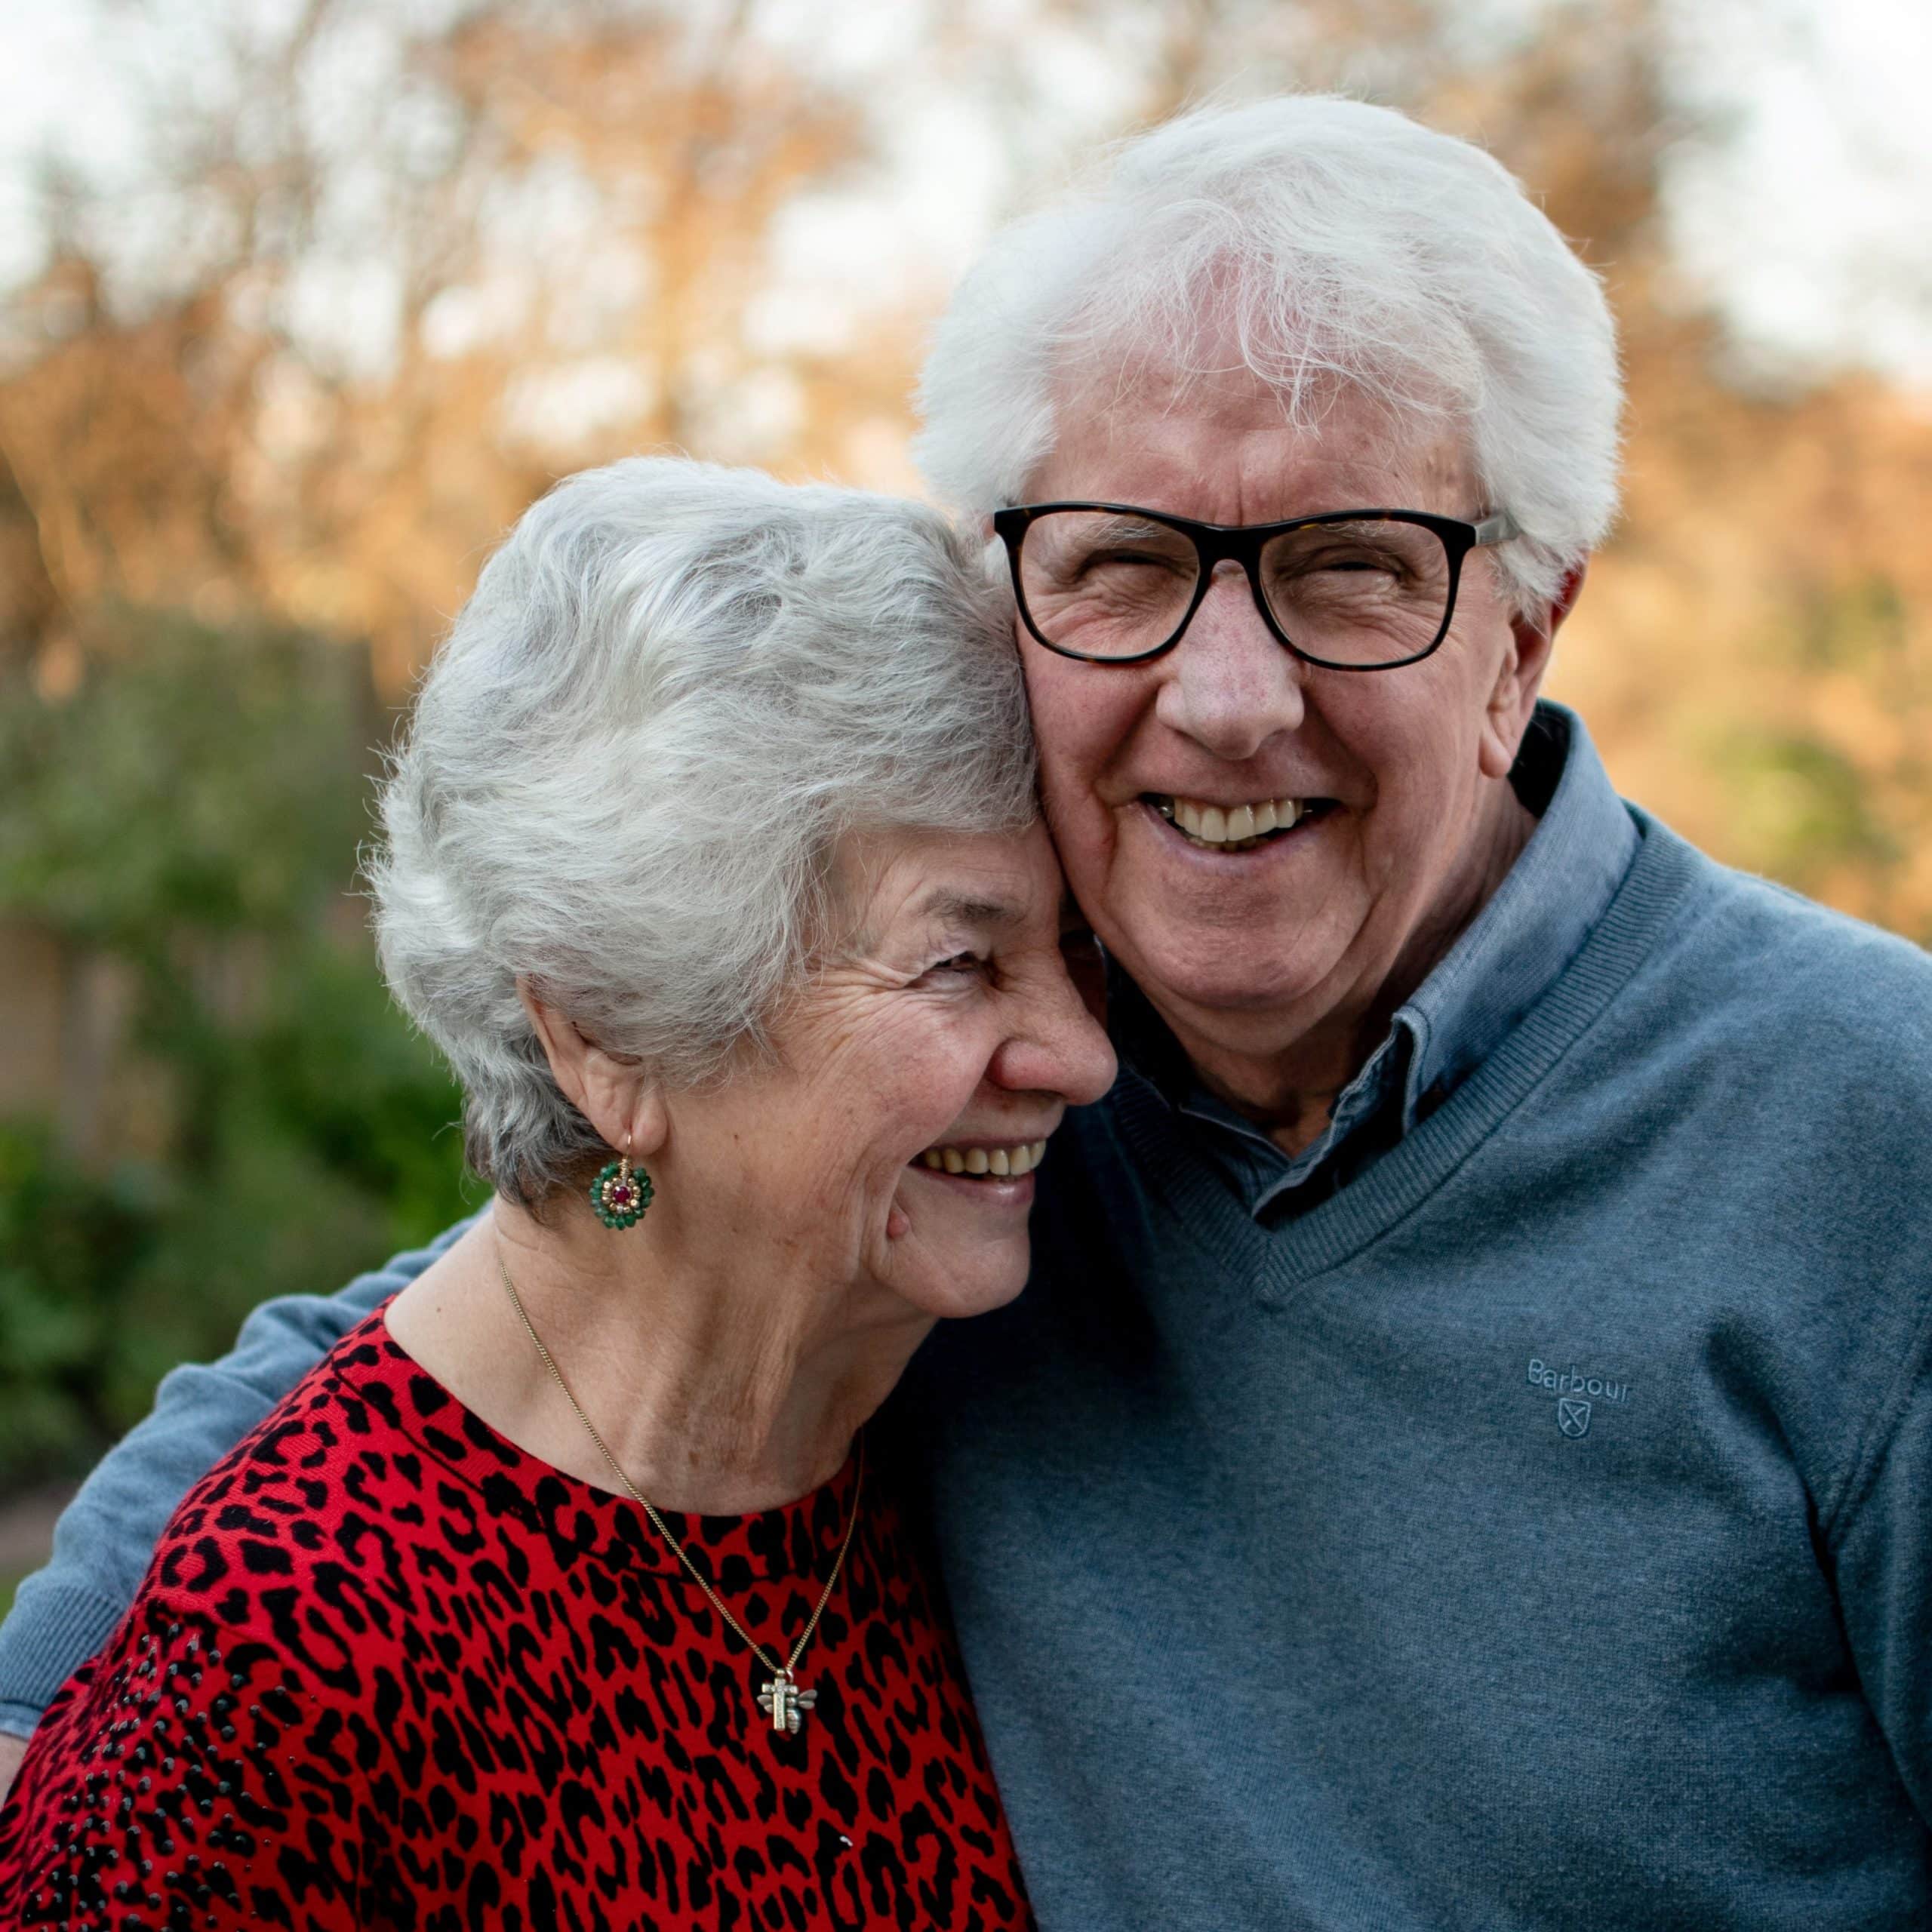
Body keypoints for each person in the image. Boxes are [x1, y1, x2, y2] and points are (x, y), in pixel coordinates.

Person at [7, 91, 1932, 1931]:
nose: (1228, 697)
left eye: (1354, 570)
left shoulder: (1869, 1136)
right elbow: (540, 1297)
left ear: (1524, 628)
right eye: (1128, 562)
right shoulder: (1005, 1115)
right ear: (1019, 589)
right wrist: (64, 1716)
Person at [0, 458, 1115, 1927]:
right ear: (606, 1031)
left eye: (1075, 948)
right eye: (959, 961)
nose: (1084, 1056)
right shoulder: (286, 1662)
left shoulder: (919, 1431)